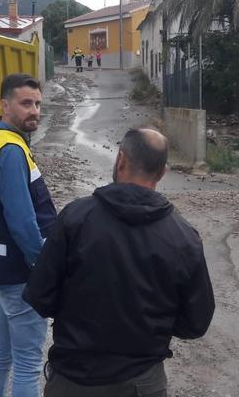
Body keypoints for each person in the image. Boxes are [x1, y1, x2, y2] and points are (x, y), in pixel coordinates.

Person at [24, 128, 215, 397]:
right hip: (142, 382)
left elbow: (40, 295)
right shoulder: (183, 237)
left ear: (121, 159)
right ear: (163, 172)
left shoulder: (76, 219)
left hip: (73, 379)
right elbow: (196, 322)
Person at [0, 73, 58, 397]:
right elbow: (23, 223)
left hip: (2, 269)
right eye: (26, 103)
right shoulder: (11, 152)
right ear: (5, 105)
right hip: (20, 273)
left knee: (4, 353)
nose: (35, 111)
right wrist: (44, 269)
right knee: (27, 363)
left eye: (38, 104)